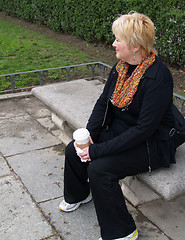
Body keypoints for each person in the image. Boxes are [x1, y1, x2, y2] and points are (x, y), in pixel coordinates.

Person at [59, 11, 176, 240]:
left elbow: (144, 129)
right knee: (74, 150)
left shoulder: (158, 77)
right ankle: (79, 195)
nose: (113, 44)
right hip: (121, 131)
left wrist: (97, 151)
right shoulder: (121, 67)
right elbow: (104, 102)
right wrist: (90, 135)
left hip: (150, 144)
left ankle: (123, 231)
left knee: (99, 169)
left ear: (135, 45)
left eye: (118, 39)